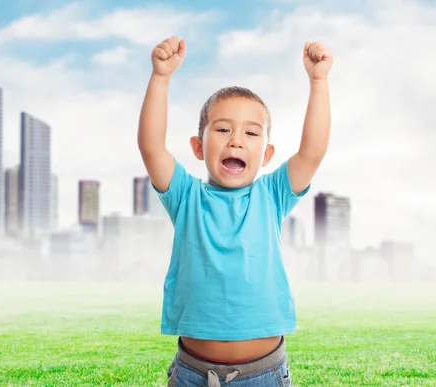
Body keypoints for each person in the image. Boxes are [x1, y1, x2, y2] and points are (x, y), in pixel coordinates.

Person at [137, 35, 333, 386]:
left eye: (251, 134)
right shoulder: (186, 196)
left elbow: (312, 152)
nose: (236, 140)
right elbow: (151, 147)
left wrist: (318, 82)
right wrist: (160, 78)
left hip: (264, 373)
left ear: (267, 155)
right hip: (193, 373)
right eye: (223, 129)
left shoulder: (271, 195)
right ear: (198, 147)